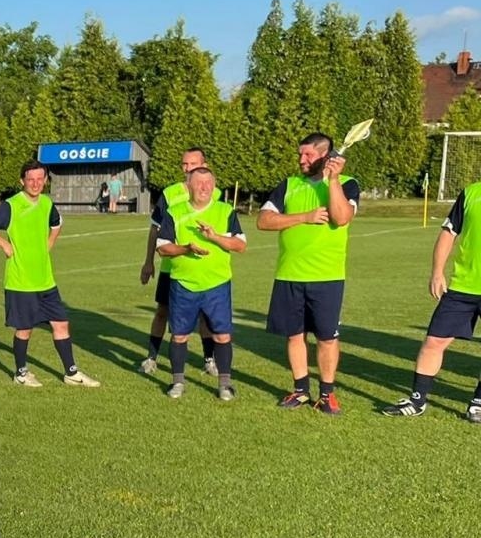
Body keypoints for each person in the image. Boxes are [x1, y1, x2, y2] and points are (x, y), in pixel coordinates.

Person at [257, 132, 358, 414]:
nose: (301, 160)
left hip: (327, 277)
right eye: (300, 154)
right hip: (289, 275)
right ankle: (300, 390)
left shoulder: (348, 184)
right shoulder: (288, 185)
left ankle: (327, 395)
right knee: (294, 335)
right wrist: (305, 217)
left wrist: (334, 179)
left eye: (308, 155)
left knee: (326, 337)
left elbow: (341, 217)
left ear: (325, 156)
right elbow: (263, 221)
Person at [0, 161, 101, 388]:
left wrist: (49, 242)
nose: (36, 183)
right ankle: (21, 373)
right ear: (22, 181)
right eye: (31, 179)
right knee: (25, 329)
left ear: (45, 180)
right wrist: (2, 244)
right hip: (21, 281)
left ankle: (71, 372)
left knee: (61, 324)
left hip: (46, 280)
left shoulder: (47, 203)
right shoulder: (12, 205)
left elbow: (57, 223)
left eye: (40, 179)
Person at [380, 178, 481, 422]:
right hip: (462, 286)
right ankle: (417, 400)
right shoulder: (471, 193)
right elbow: (449, 232)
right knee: (434, 341)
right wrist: (437, 272)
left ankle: (478, 402)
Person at [152, 167, 246, 399]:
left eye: (208, 183)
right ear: (189, 186)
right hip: (183, 285)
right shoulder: (174, 212)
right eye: (199, 183)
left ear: (214, 186)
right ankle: (178, 383)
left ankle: (224, 385)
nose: (204, 188)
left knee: (222, 335)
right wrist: (186, 248)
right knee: (179, 336)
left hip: (217, 284)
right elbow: (162, 247)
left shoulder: (225, 211)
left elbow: (240, 245)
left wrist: (214, 237)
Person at [139, 147, 218, 376]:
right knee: (162, 312)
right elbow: (155, 230)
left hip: (203, 267)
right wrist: (148, 262)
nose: (187, 169)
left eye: (192, 164)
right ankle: (151, 358)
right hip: (171, 266)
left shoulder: (216, 193)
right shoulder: (170, 193)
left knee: (205, 315)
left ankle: (209, 359)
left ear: (204, 164)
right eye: (184, 164)